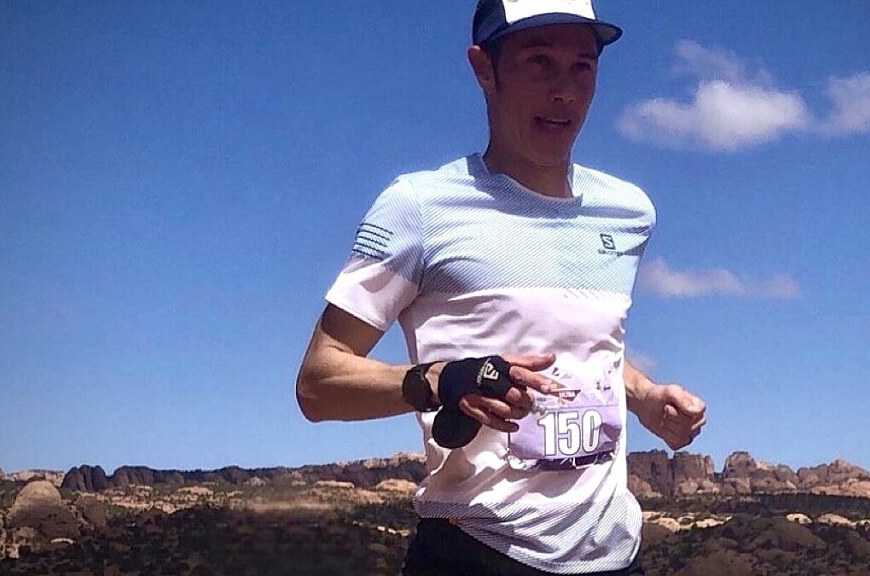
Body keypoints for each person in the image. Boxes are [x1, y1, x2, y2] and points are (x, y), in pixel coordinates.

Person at [296, 1, 707, 574]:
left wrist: (642, 394)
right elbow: (318, 384)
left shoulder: (629, 212)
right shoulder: (420, 208)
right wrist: (439, 380)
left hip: (614, 555)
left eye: (582, 67)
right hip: (476, 551)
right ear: (483, 69)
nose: (564, 91)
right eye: (539, 62)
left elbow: (585, 344)